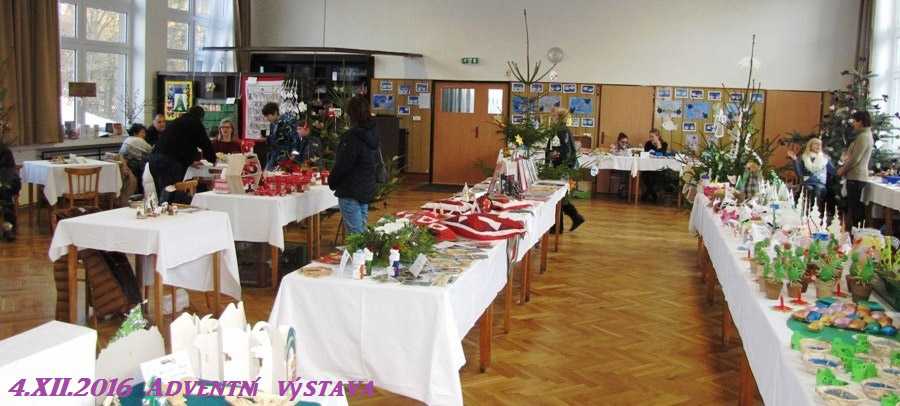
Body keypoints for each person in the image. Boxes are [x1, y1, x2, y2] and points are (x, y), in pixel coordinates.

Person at [328, 96, 379, 235]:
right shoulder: (372, 133)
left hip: (351, 189)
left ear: (351, 113)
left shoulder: (352, 136)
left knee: (356, 237)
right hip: (365, 187)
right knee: (361, 233)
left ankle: (362, 250)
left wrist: (332, 181)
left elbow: (343, 164)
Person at [148, 106, 216, 204]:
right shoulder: (196, 124)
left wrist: (190, 161)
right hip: (170, 162)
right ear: (201, 118)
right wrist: (214, 159)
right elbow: (205, 144)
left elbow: (178, 144)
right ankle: (166, 212)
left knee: (161, 194)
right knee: (170, 195)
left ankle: (160, 210)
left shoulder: (176, 121)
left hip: (154, 158)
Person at [545, 109, 585, 232]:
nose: (552, 118)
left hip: (561, 166)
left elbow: (562, 150)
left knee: (558, 196)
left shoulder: (561, 130)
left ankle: (560, 225)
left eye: (554, 115)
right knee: (560, 196)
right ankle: (566, 221)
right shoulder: (564, 129)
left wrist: (554, 160)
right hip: (564, 166)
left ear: (560, 117)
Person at [837, 110, 874, 231]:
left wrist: (843, 169)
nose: (853, 124)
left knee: (856, 208)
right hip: (856, 176)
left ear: (860, 122)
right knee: (855, 206)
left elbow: (855, 159)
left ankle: (856, 233)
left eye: (854, 121)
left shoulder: (863, 137)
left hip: (856, 176)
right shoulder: (865, 135)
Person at [787, 137, 835, 211]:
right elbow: (799, 174)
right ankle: (806, 211)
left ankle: (816, 212)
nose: (818, 146)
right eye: (816, 144)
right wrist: (795, 160)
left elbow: (834, 171)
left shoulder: (825, 159)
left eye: (820, 145)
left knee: (818, 190)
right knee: (808, 189)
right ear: (810, 146)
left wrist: (841, 162)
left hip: (820, 184)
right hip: (807, 182)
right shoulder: (804, 157)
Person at [262, 102, 298, 170]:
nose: (267, 119)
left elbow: (294, 138)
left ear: (275, 113)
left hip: (285, 154)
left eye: (268, 116)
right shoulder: (273, 124)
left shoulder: (286, 123)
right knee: (268, 172)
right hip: (274, 154)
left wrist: (293, 153)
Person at [119, 123, 152, 190]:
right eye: (142, 133)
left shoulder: (128, 139)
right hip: (133, 166)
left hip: (126, 164)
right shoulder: (137, 140)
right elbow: (151, 150)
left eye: (144, 133)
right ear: (135, 134)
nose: (144, 135)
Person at [0, 142, 21, 241]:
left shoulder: (5, 151)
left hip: (10, 182)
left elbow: (9, 173)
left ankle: (10, 229)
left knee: (4, 192)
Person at [641, 128, 669, 202]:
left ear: (658, 136)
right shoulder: (648, 143)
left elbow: (661, 153)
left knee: (658, 175)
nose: (651, 138)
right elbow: (647, 153)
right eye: (650, 136)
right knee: (644, 173)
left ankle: (647, 194)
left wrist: (658, 144)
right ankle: (654, 195)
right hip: (649, 166)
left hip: (660, 167)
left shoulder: (664, 144)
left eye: (652, 137)